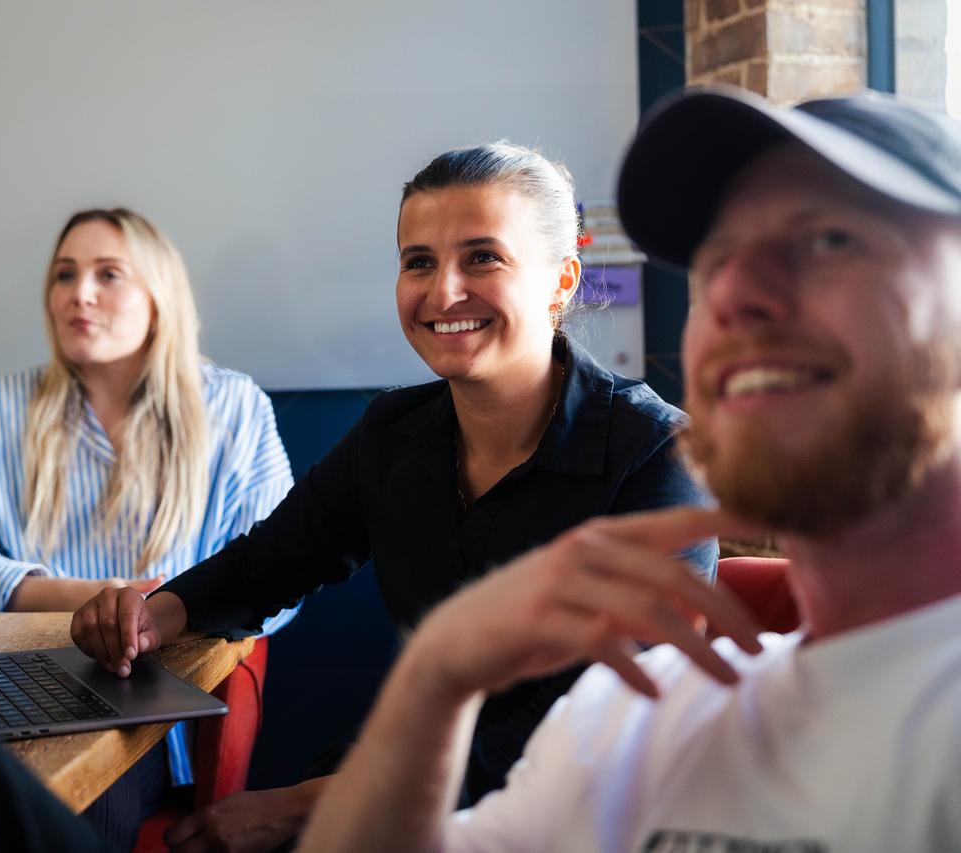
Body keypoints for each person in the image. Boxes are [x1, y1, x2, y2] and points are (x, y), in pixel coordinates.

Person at [297, 87, 961, 852]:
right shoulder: (638, 716)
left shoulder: (639, 448)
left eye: (831, 241)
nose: (734, 292)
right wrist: (435, 676)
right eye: (715, 260)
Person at [70, 144, 717, 851]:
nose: (442, 293)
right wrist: (147, 615)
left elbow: (602, 724)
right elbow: (271, 562)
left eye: (482, 258)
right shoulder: (395, 432)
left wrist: (313, 801)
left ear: (561, 281)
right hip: (399, 778)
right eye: (418, 261)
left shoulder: (655, 455)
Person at [0, 207, 296, 849]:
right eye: (64, 275)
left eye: (108, 274)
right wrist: (84, 594)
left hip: (147, 704)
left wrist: (154, 615)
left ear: (158, 297)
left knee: (83, 794)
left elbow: (278, 582)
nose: (79, 293)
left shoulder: (233, 408)